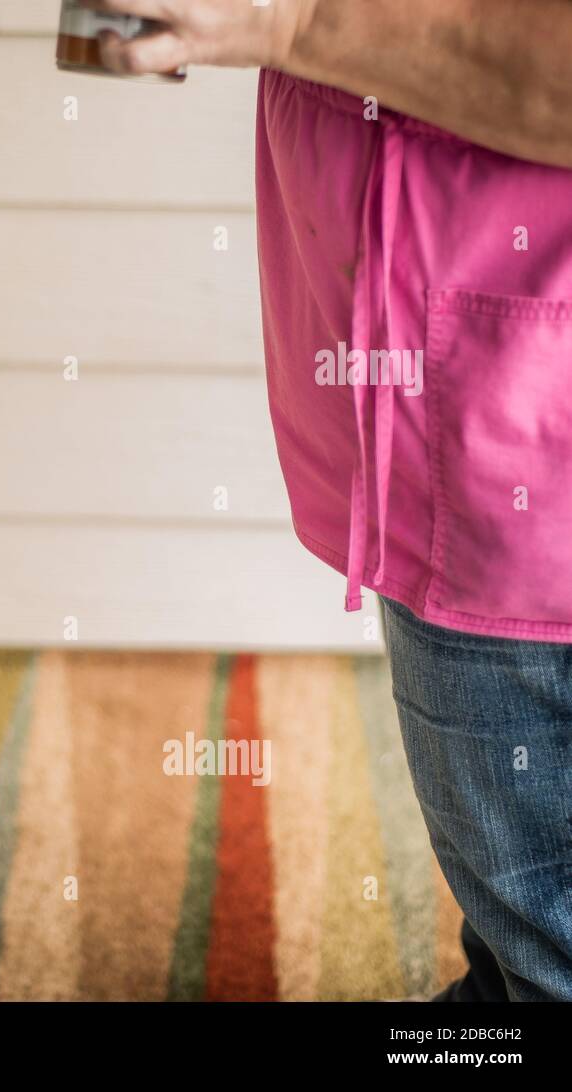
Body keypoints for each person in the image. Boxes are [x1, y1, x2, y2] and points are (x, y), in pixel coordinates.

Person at [83, 0, 572, 1001]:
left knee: (543, 929)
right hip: (433, 420)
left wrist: (293, 22)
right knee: (511, 910)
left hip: (523, 467)